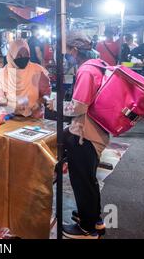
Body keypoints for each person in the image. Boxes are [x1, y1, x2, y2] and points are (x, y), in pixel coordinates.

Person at [47, 32, 108, 239]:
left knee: (82, 181)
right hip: (97, 131)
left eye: (66, 53)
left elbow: (78, 106)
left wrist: (55, 104)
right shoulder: (99, 64)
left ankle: (87, 229)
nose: (65, 57)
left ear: (74, 50)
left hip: (85, 134)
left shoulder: (87, 71)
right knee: (89, 180)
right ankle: (94, 220)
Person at [0, 39, 51, 118]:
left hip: (34, 119)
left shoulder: (38, 71)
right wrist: (11, 105)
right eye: (19, 55)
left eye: (26, 55)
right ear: (11, 55)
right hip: (9, 118)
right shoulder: (2, 74)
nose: (23, 58)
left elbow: (47, 95)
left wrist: (38, 102)